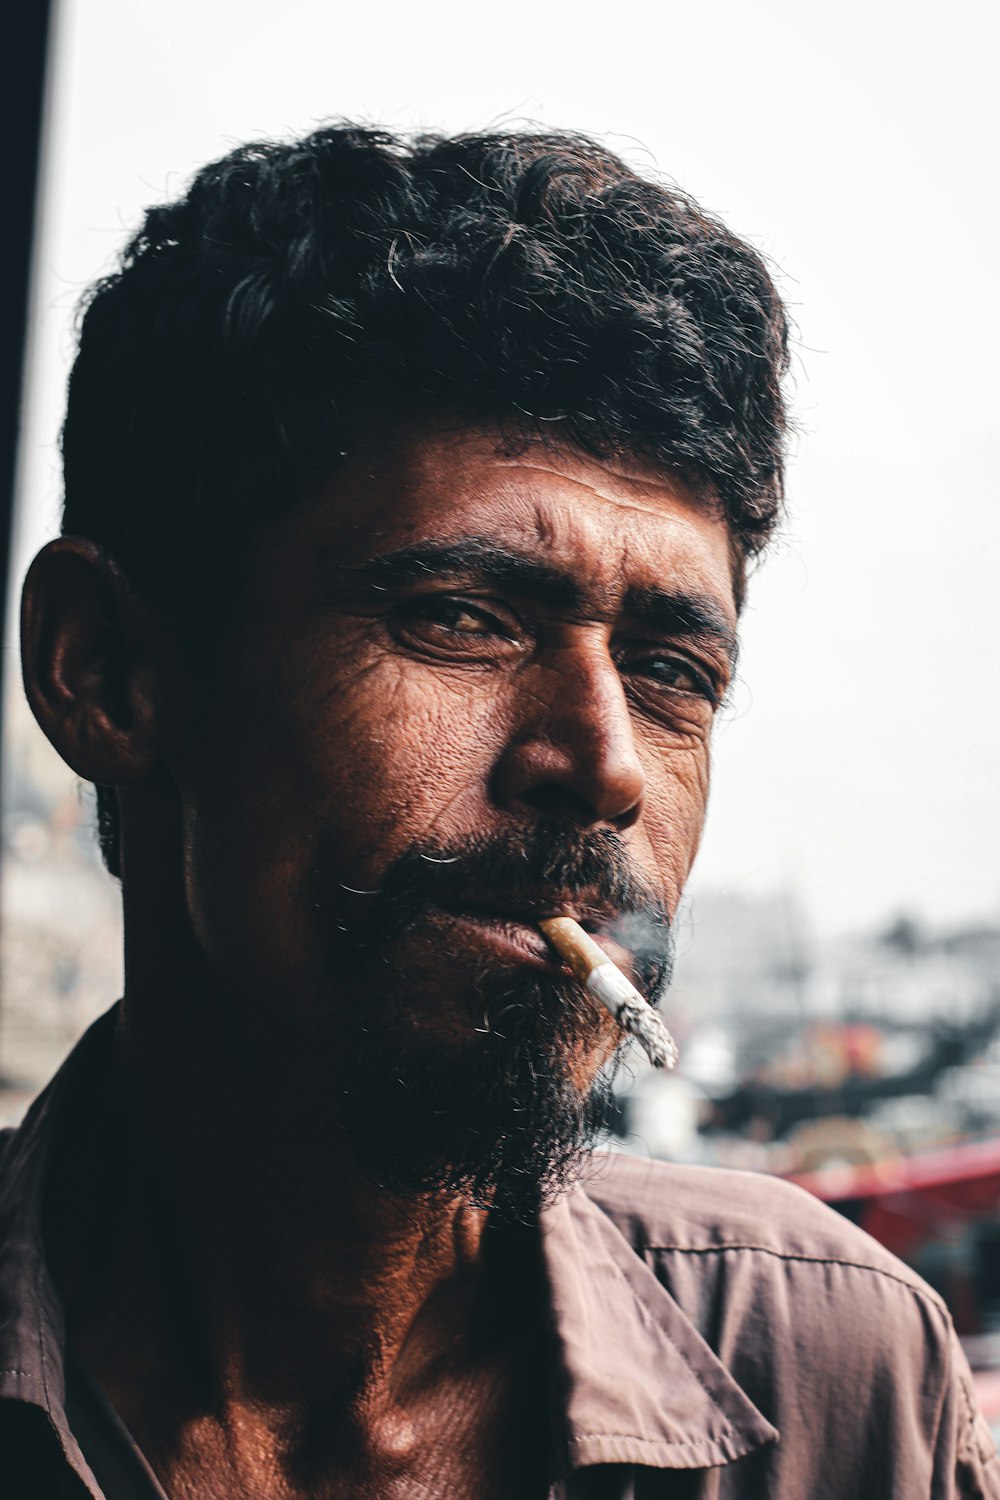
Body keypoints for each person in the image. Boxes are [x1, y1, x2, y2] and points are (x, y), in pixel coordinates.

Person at [3, 123, 996, 1498]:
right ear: (106, 670)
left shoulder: (835, 1379)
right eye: (459, 619)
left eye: (670, 672)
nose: (605, 766)